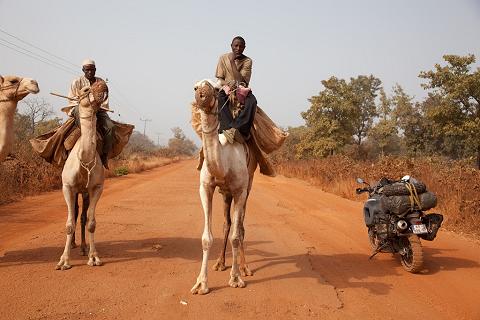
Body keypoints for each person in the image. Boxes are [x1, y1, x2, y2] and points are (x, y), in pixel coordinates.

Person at [68, 59, 114, 169]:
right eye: (87, 70)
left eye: (92, 70)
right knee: (78, 129)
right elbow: (72, 99)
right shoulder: (76, 82)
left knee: (111, 128)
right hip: (79, 108)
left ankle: (104, 155)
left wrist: (98, 106)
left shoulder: (101, 82)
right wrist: (84, 104)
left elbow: (104, 99)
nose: (90, 72)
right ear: (83, 70)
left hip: (99, 109)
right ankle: (66, 156)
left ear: (95, 70)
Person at [215, 36, 257, 143]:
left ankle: (238, 129)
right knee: (220, 98)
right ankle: (227, 128)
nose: (238, 48)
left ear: (244, 48)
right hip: (225, 87)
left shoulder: (247, 61)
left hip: (241, 89)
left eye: (241, 46)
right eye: (236, 46)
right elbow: (220, 78)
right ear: (231, 46)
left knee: (252, 101)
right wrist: (227, 86)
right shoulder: (222, 58)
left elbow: (242, 80)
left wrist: (232, 63)